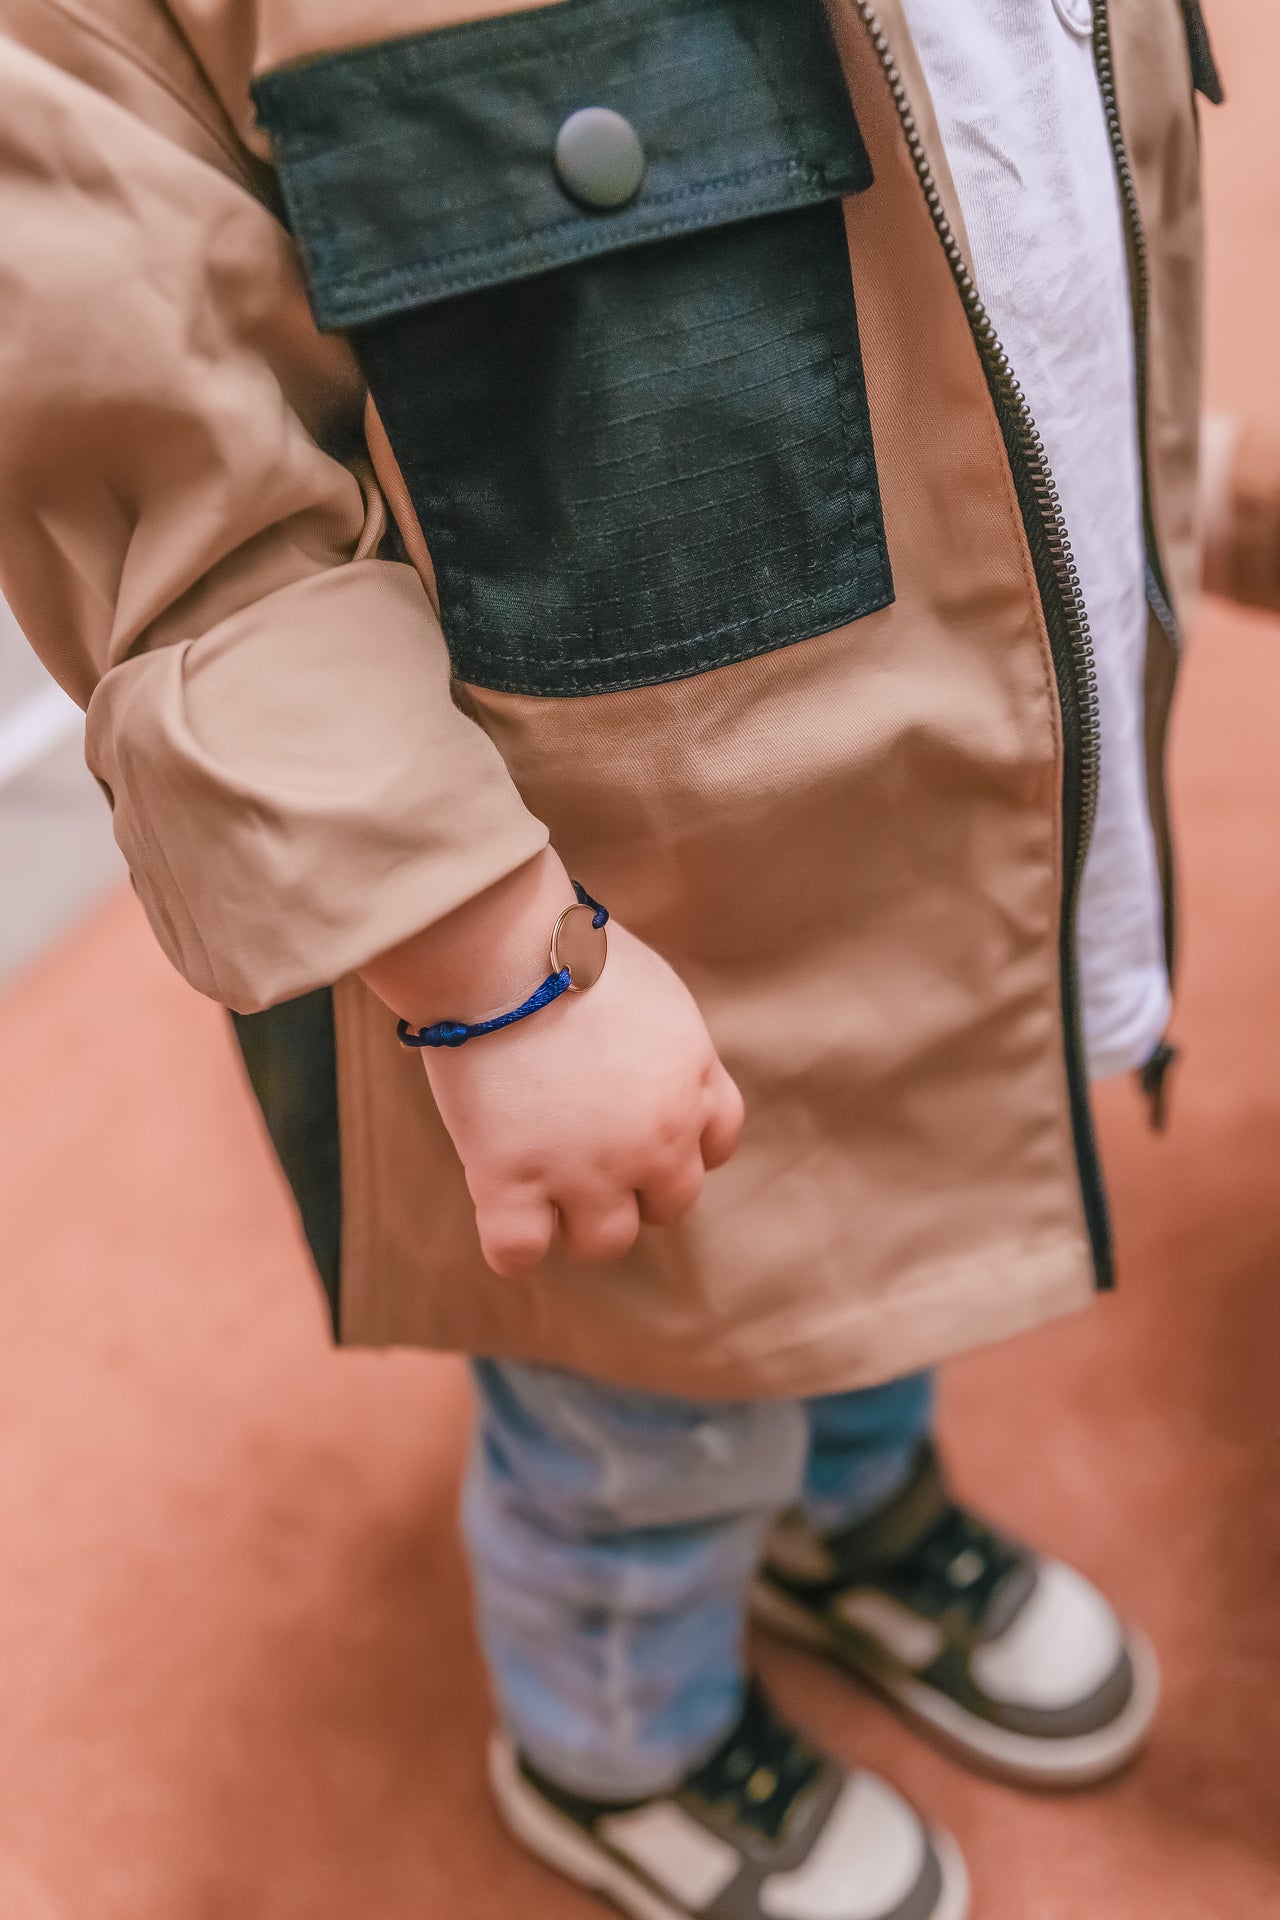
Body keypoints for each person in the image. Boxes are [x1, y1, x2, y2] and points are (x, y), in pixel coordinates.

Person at [1, 1, 1271, 1915]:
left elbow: (1014, 239)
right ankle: (622, 1731)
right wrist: (490, 949)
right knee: (646, 1421)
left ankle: (840, 1509)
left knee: (894, 1237)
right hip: (609, 915)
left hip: (933, 810)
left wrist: (1194, 481)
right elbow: (168, 478)